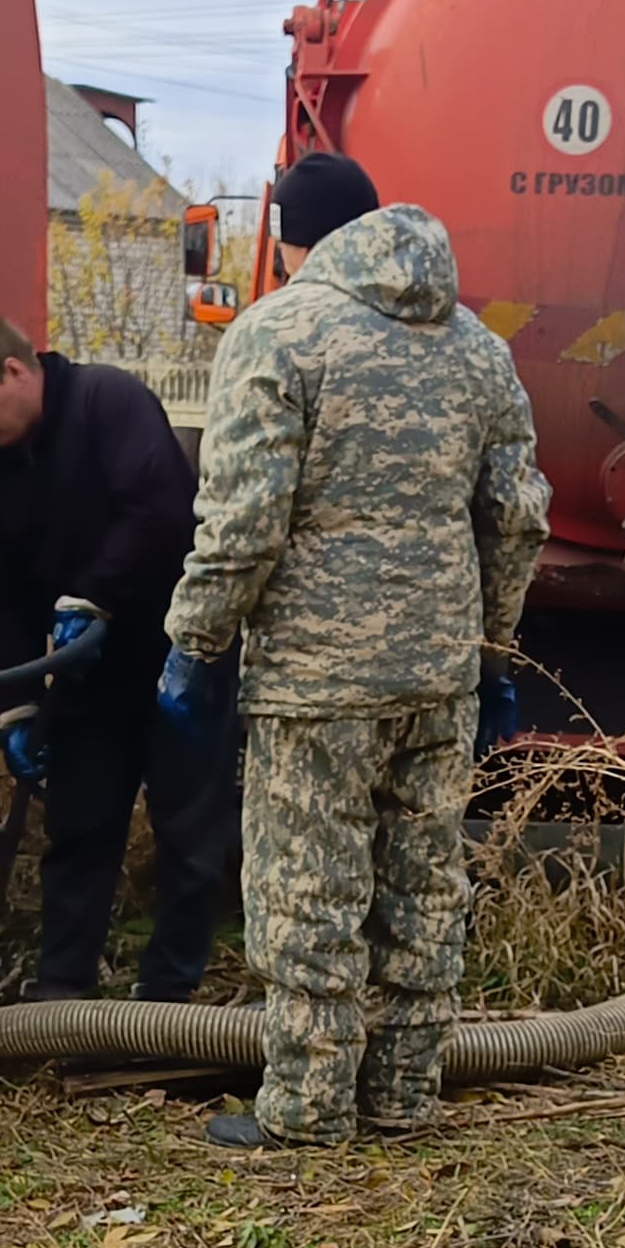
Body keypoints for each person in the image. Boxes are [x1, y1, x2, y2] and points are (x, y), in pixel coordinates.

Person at [156, 150, 548, 1148]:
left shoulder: (278, 333)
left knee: (309, 889)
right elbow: (516, 516)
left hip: (315, 679)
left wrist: (196, 644)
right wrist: (494, 649)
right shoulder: (475, 348)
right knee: (423, 884)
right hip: (440, 671)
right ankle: (404, 1097)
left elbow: (244, 521)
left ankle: (307, 1113)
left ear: (289, 235)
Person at [0, 308, 237, 1006]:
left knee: (189, 833)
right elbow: (3, 594)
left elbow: (159, 512)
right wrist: (15, 701)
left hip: (177, 661)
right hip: (89, 675)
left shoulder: (110, 402)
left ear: (14, 371)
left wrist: (92, 596)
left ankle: (167, 997)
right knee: (79, 827)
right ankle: (62, 990)